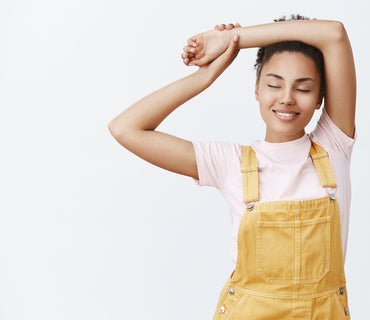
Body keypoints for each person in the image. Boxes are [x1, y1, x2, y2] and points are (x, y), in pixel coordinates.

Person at [109, 14, 356, 319]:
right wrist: (205, 76)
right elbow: (126, 129)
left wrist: (232, 39)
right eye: (274, 85)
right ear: (256, 89)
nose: (287, 98)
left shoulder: (335, 148)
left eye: (303, 89)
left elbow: (334, 33)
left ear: (320, 98)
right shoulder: (230, 163)